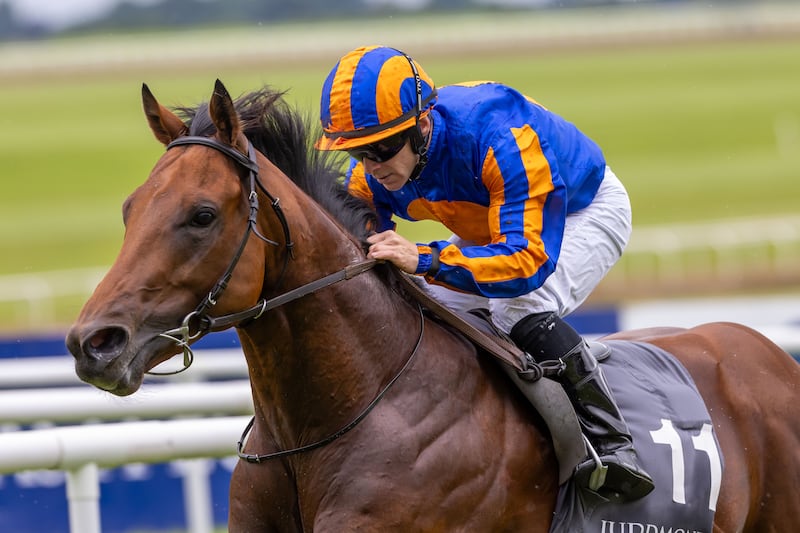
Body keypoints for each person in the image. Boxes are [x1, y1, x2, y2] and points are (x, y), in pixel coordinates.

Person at [315, 45, 653, 501]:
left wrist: (427, 259)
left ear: (420, 123)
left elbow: (525, 262)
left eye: (381, 148)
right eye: (358, 152)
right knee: (423, 307)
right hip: (494, 226)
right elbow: (359, 238)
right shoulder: (374, 172)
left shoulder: (501, 134)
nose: (372, 165)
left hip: (579, 212)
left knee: (516, 310)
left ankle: (613, 443)